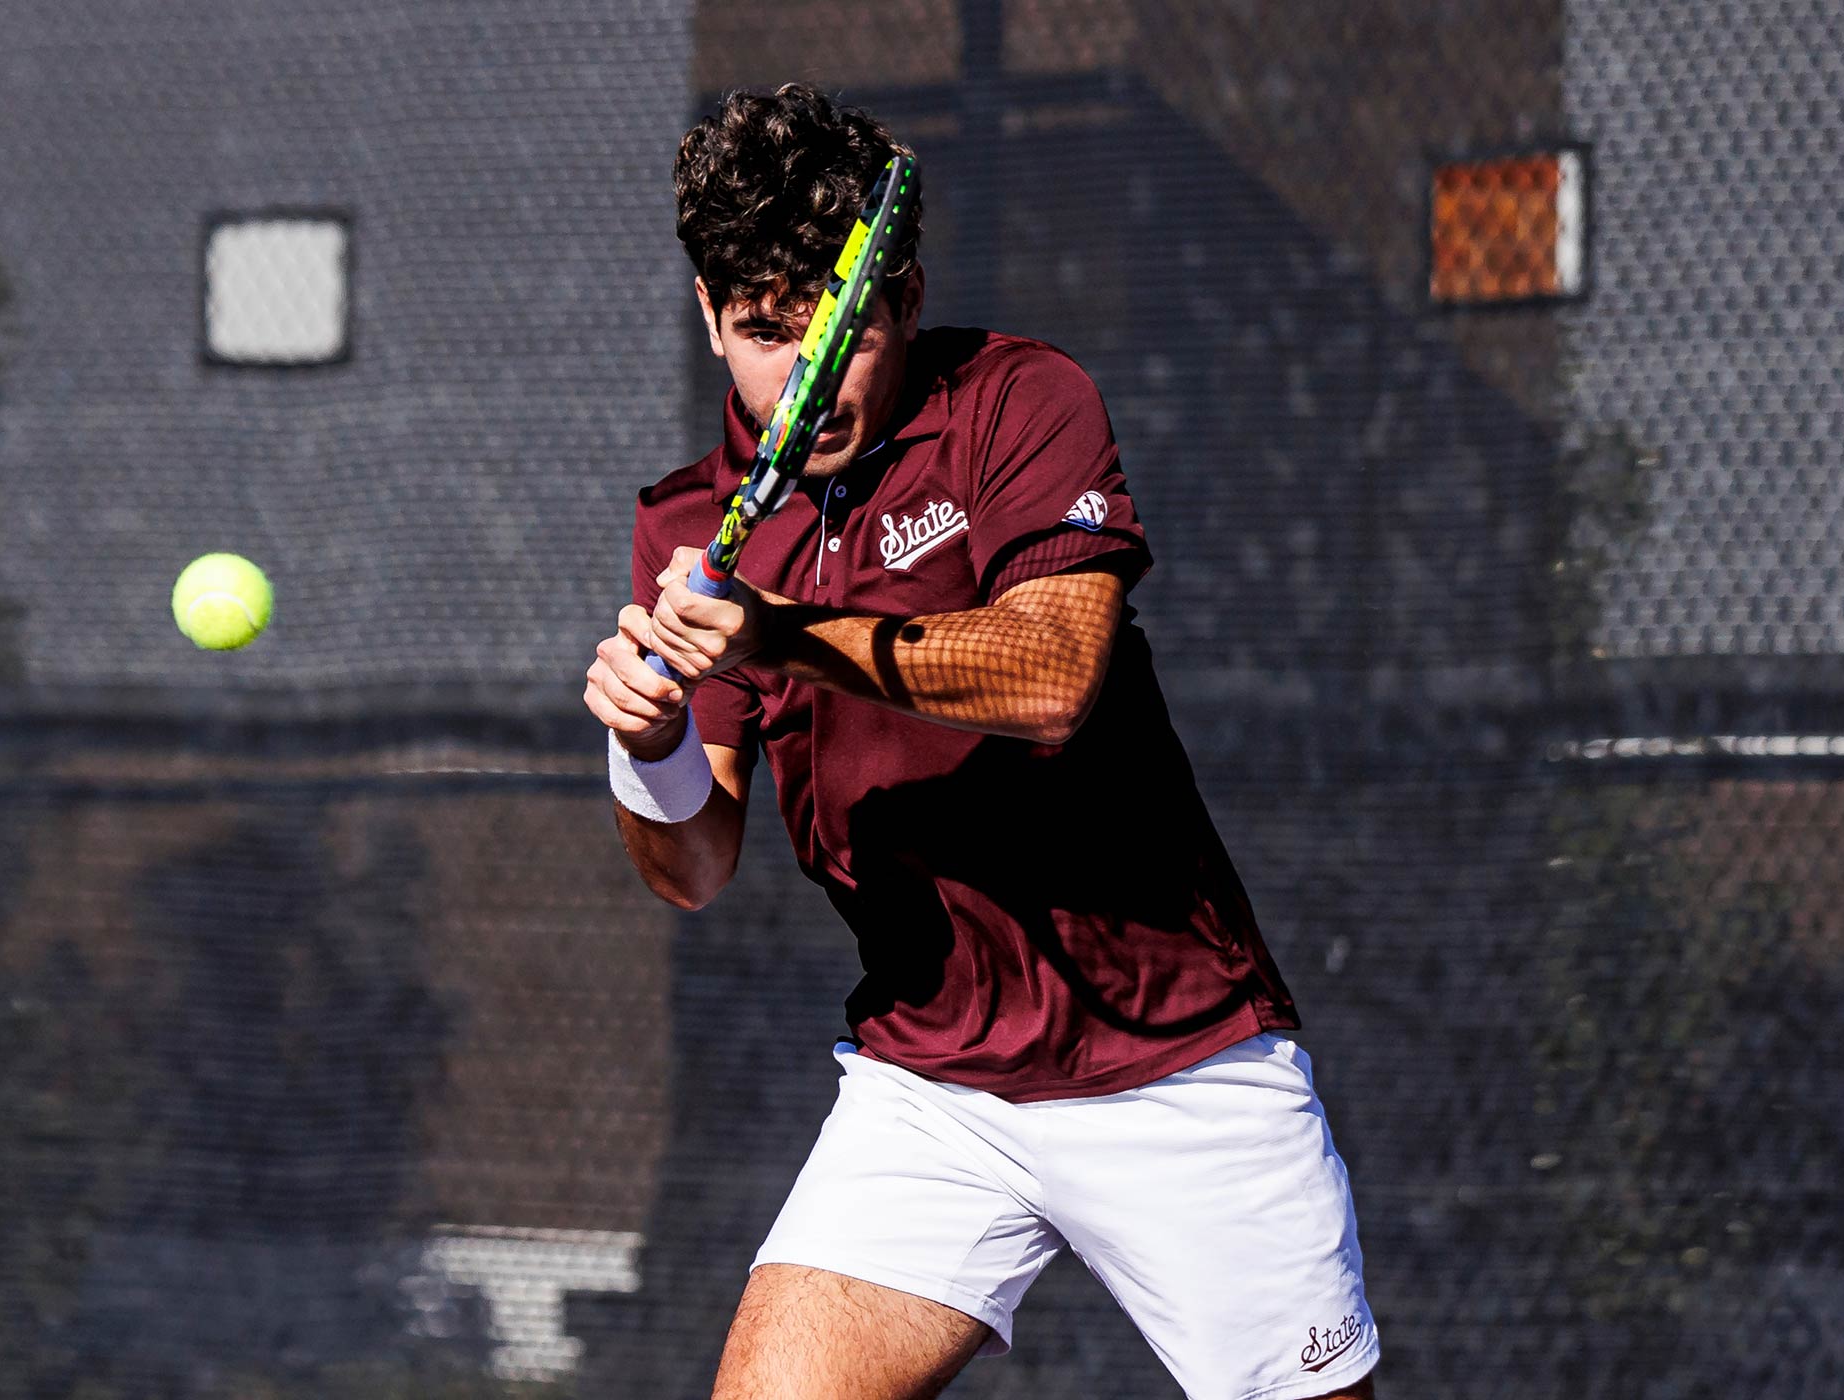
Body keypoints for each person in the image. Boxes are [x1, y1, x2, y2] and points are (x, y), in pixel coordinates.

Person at [583, 83, 1377, 1400]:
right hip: (930, 1088)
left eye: (841, 327)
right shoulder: (687, 524)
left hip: (1177, 1064)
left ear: (900, 301)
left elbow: (1056, 677)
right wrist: (647, 742)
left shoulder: (1018, 400)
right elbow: (691, 865)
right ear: (714, 320)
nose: (808, 373)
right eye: (766, 332)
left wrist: (785, 635)